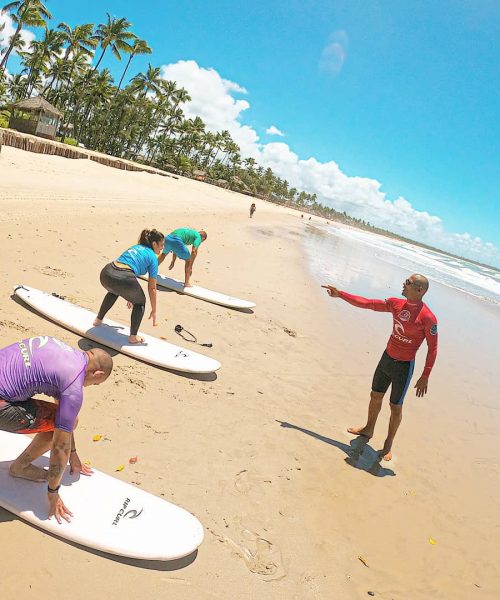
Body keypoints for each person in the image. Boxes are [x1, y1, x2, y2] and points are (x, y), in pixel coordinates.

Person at [322, 274, 438, 461]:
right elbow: (368, 303)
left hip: (404, 366)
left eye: (407, 282)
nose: (403, 283)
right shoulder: (395, 304)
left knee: (395, 406)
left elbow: (433, 348)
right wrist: (340, 294)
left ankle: (388, 445)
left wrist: (425, 375)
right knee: (375, 395)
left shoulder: (428, 318)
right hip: (386, 359)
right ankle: (368, 429)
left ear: (420, 290)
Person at [0, 336, 113, 523]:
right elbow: (60, 445)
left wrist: (74, 453)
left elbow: (63, 414)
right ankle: (20, 467)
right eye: (95, 384)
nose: (89, 386)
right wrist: (53, 492)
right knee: (58, 430)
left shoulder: (61, 350)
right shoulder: (73, 385)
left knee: (63, 421)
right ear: (98, 374)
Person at [94, 229, 164, 344]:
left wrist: (130, 295)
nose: (162, 248)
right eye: (161, 245)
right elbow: (152, 288)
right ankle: (133, 337)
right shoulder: (153, 258)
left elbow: (125, 269)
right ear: (154, 243)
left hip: (106, 273)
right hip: (123, 278)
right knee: (140, 302)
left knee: (113, 291)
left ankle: (98, 320)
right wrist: (154, 310)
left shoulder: (136, 247)